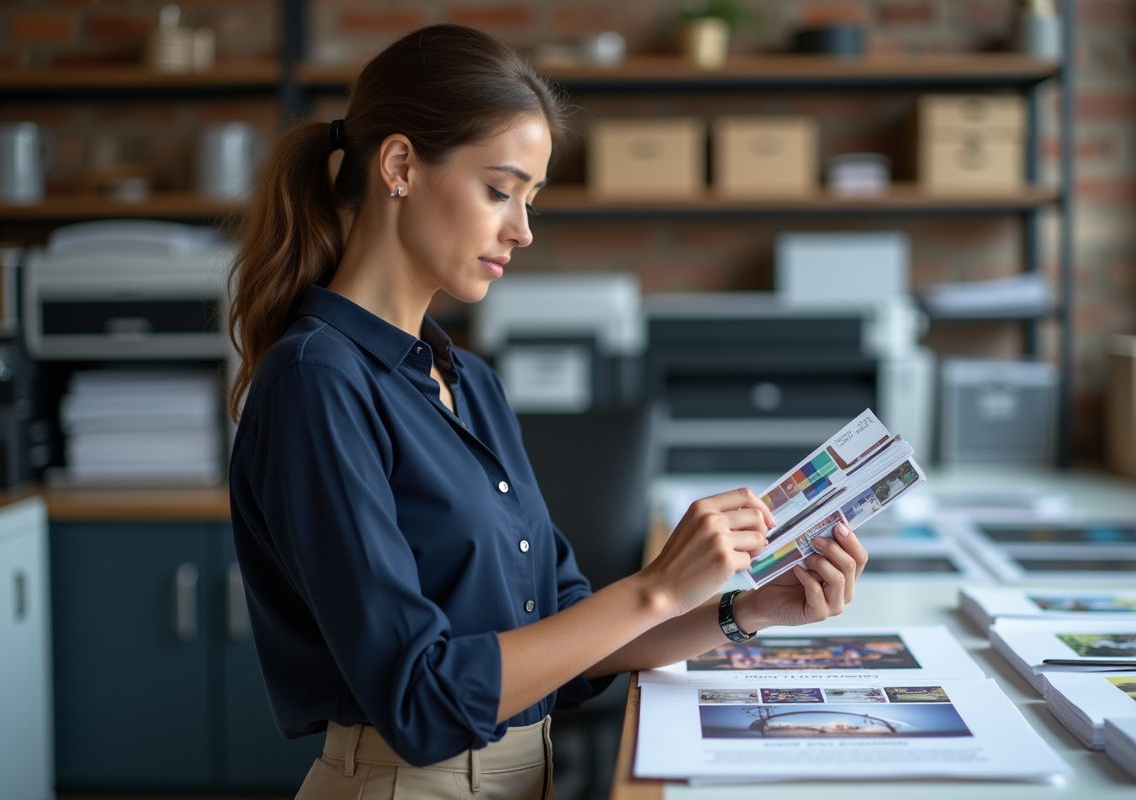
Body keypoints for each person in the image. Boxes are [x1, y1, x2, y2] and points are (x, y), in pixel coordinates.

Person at [226, 23, 868, 800]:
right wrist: (657, 586)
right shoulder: (316, 381)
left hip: (522, 778)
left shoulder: (469, 383)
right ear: (399, 165)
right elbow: (421, 699)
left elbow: (571, 637)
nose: (521, 229)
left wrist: (746, 611)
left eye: (530, 199)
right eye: (499, 191)